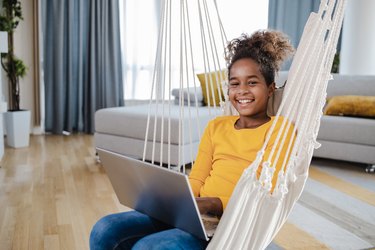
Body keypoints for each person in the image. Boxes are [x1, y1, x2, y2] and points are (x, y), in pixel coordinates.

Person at [89, 30, 295, 250]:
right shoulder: (217, 126)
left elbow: (265, 193)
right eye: (234, 84)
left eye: (252, 83)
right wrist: (175, 200)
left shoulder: (280, 130)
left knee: (149, 247)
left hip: (232, 222)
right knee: (104, 229)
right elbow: (197, 178)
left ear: (271, 88)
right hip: (195, 214)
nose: (242, 91)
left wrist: (211, 204)